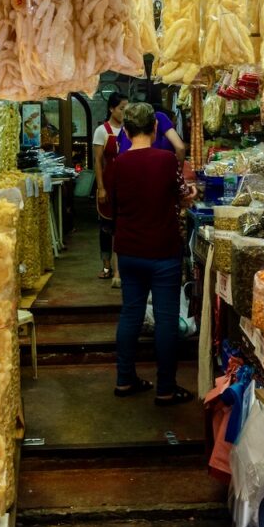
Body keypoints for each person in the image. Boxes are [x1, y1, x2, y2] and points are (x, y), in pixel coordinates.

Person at [105, 103, 195, 406]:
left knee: (130, 313)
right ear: (155, 129)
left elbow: (116, 205)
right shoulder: (167, 160)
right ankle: (165, 388)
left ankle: (124, 380)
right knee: (166, 319)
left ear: (126, 132)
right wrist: (189, 197)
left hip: (129, 251)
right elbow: (182, 197)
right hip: (163, 251)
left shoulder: (116, 165)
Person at [93, 92, 127, 284]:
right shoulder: (102, 131)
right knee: (106, 227)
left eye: (126, 109)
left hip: (125, 185)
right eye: (121, 109)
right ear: (111, 109)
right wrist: (101, 188)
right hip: (107, 183)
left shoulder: (130, 129)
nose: (124, 113)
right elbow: (98, 161)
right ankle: (106, 266)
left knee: (122, 227)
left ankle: (121, 268)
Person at [118, 107, 185, 165]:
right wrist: (179, 173)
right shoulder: (159, 117)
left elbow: (118, 146)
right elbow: (180, 147)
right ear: (155, 126)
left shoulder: (120, 160)